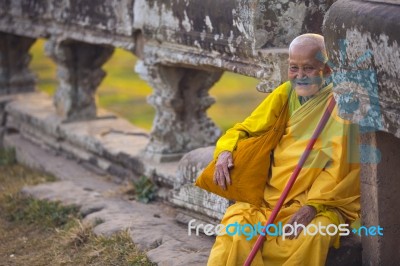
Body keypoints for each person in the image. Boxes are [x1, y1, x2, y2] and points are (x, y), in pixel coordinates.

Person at [208, 33, 360, 265]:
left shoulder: (340, 106)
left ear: (327, 70)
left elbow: (340, 168)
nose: (300, 76)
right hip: (269, 199)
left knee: (315, 234)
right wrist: (225, 152)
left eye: (308, 68)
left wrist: (312, 206)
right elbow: (245, 130)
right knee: (236, 227)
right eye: (293, 68)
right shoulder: (285, 93)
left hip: (317, 202)